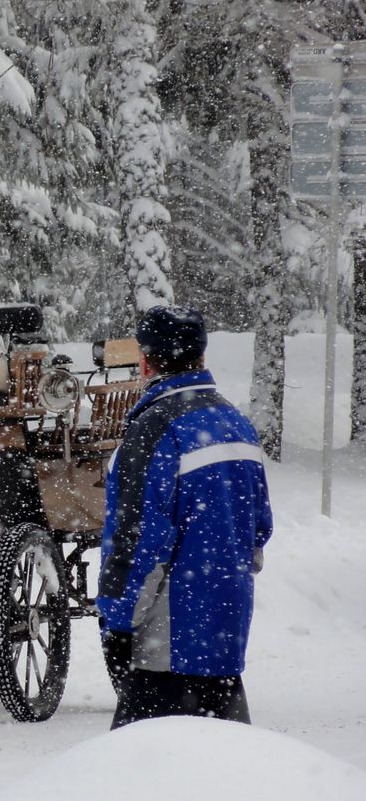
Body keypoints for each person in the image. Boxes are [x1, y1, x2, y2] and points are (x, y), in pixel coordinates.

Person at [97, 305, 273, 730]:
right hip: (224, 644)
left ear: (145, 360)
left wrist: (117, 625)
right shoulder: (236, 424)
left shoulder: (155, 429)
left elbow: (138, 541)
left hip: (166, 651)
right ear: (201, 357)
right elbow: (258, 531)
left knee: (141, 777)